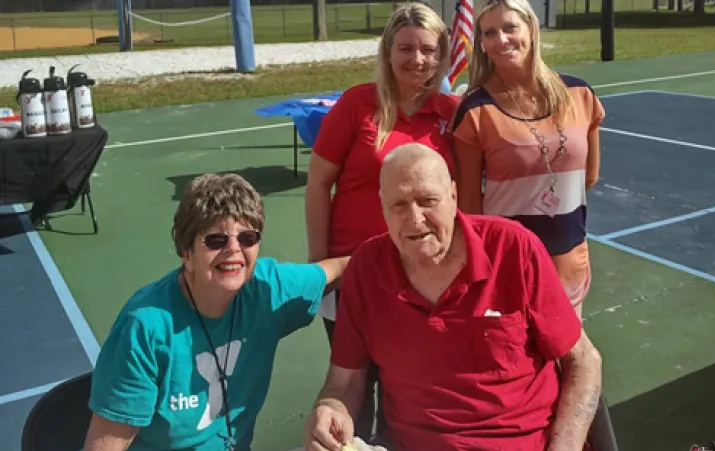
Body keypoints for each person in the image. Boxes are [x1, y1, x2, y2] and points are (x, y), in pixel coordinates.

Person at [302, 143, 603, 451]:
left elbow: (583, 361)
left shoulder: (513, 248)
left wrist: (565, 447)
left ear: (454, 197)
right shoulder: (366, 268)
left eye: (427, 200)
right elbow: (344, 383)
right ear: (382, 208)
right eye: (399, 205)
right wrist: (330, 409)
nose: (415, 219)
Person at [84, 173, 349, 451]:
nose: (234, 249)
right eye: (215, 240)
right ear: (186, 252)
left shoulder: (268, 288)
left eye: (247, 237)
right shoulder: (145, 328)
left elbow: (343, 268)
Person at [304, 1, 458, 440]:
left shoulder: (450, 114)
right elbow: (318, 186)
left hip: (420, 279)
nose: (418, 60)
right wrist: (321, 265)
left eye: (429, 50)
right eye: (406, 48)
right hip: (351, 275)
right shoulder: (357, 105)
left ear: (442, 54)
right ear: (388, 52)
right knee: (351, 387)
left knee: (406, 391)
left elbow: (459, 199)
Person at [449, 0, 606, 317]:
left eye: (510, 28)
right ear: (481, 43)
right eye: (490, 32)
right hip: (509, 267)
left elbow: (588, 177)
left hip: (569, 263)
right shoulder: (475, 111)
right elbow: (469, 206)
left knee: (570, 361)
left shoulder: (580, 94)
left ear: (531, 30)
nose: (502, 39)